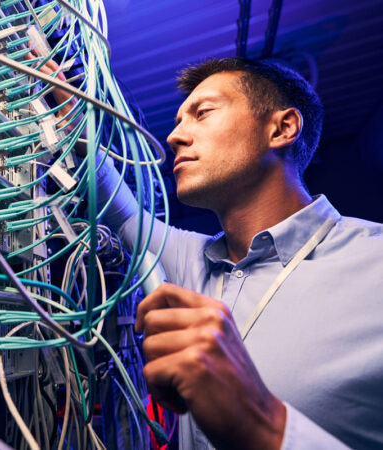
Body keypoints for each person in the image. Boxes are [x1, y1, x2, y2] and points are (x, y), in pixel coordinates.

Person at [46, 56, 383, 448]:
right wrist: (67, 109)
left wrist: (266, 426)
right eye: (177, 123)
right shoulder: (196, 261)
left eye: (202, 113)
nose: (175, 137)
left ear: (283, 128)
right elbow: (119, 208)